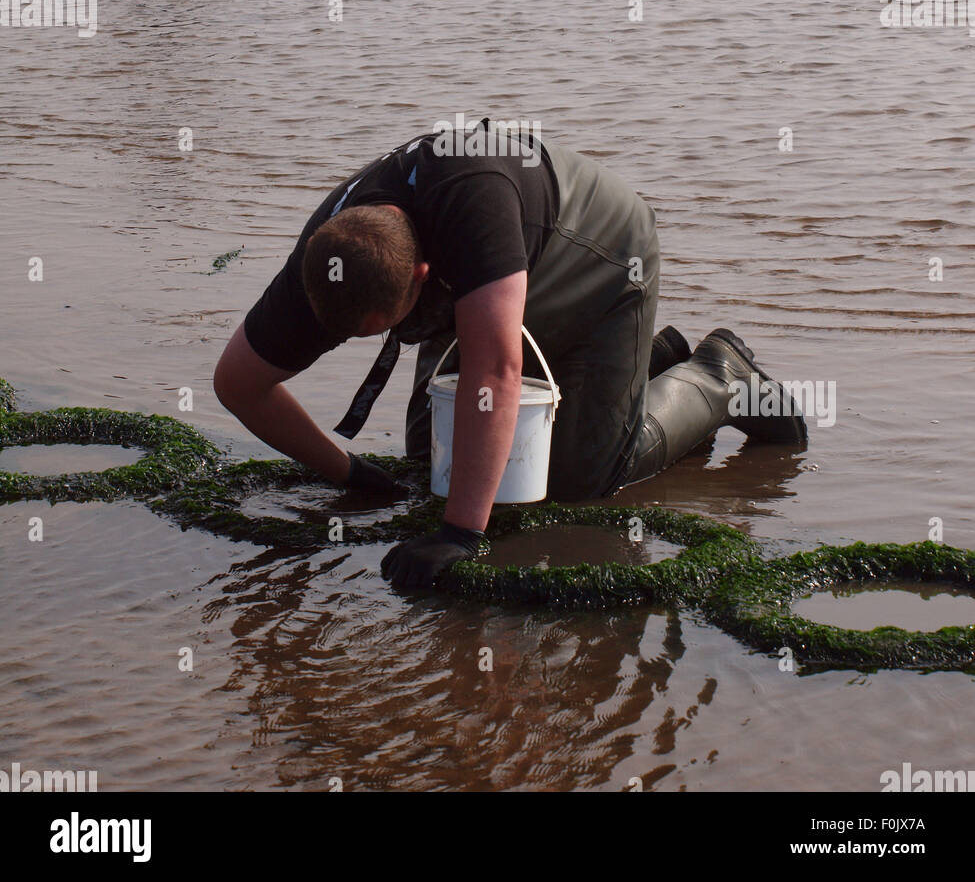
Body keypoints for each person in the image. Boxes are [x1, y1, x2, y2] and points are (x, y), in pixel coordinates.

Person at [213, 119, 807, 590]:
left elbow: (495, 372)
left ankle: (717, 374)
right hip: (486, 278)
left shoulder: (476, 220)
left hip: (597, 248)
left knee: (576, 478)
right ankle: (641, 366)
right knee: (437, 460)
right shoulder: (322, 263)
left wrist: (459, 534)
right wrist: (348, 472)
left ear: (422, 276)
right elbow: (238, 385)